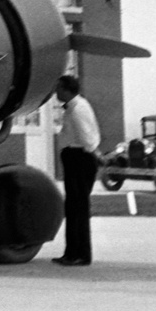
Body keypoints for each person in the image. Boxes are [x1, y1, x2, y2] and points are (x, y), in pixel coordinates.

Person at [52, 74, 99, 267]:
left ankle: (80, 254)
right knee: (73, 207)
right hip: (76, 158)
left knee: (78, 207)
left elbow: (88, 140)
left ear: (67, 89)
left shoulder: (78, 109)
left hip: (80, 159)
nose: (56, 92)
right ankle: (72, 252)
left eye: (59, 89)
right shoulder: (73, 108)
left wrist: (91, 153)